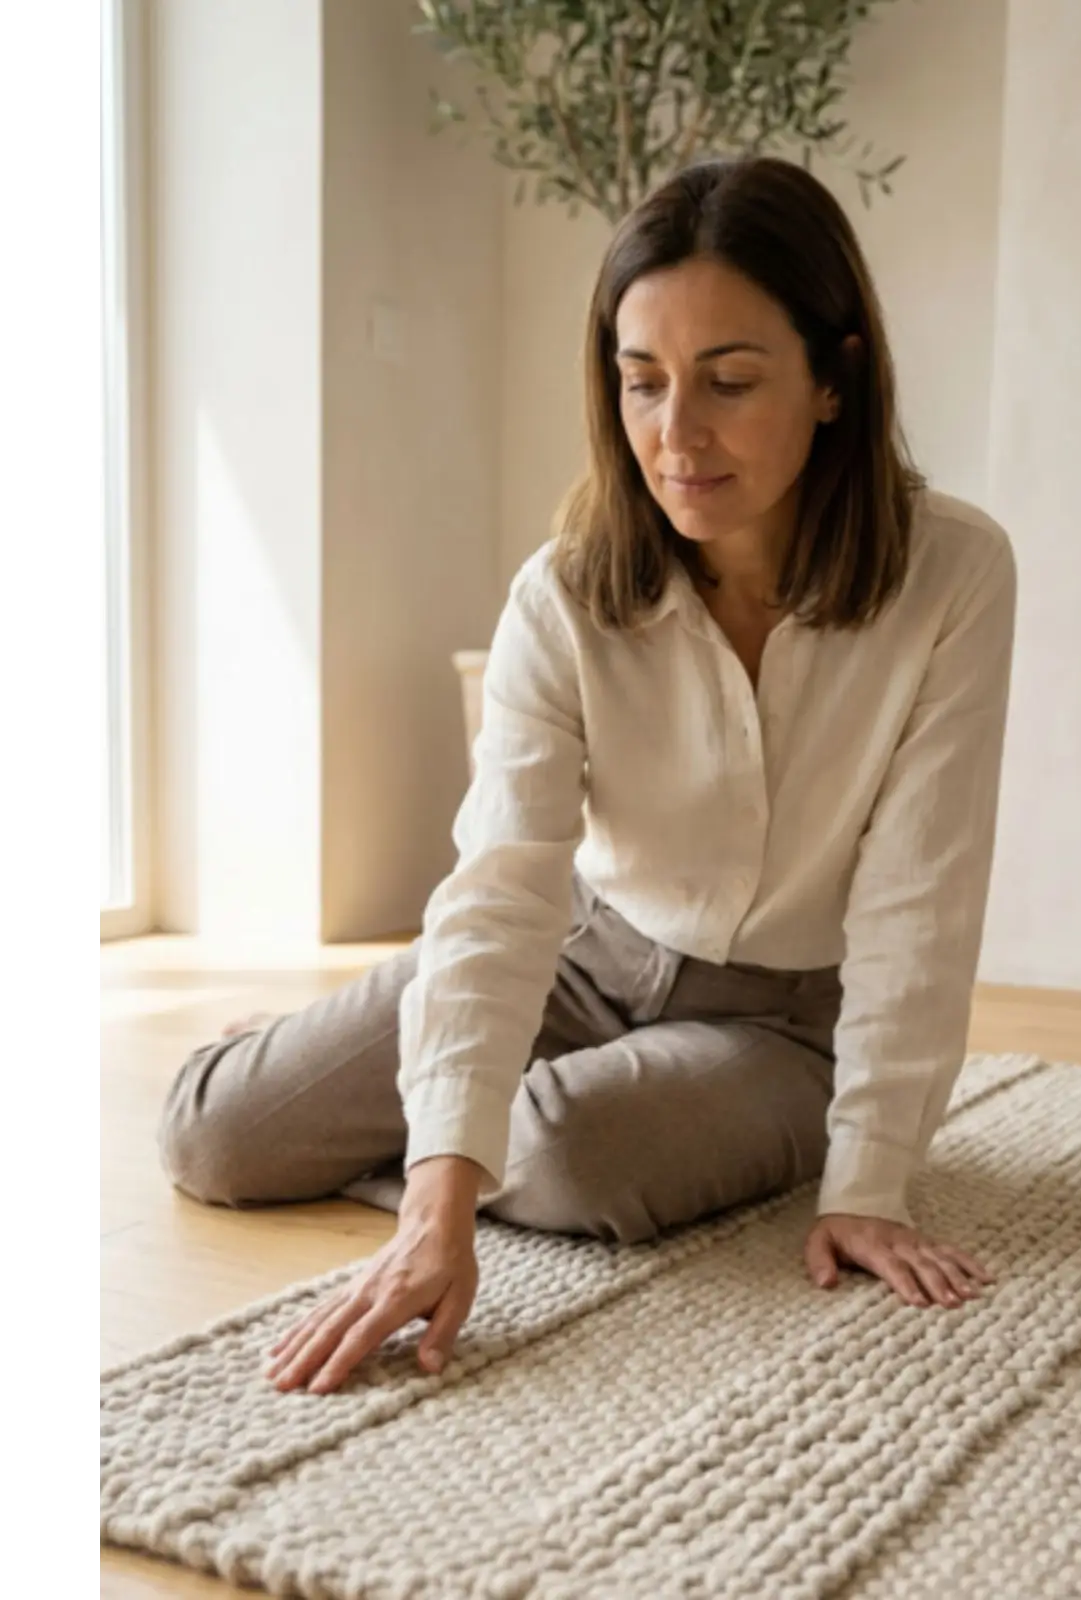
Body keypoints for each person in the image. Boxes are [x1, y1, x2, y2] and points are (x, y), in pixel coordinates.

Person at [157, 154, 1015, 1397]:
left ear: (834, 377)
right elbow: (504, 883)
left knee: (570, 1151)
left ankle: (433, 1097)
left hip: (779, 1023)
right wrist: (436, 1205)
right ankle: (395, 1086)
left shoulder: (954, 573)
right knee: (217, 1136)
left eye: (729, 381)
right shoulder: (560, 592)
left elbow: (919, 897)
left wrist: (868, 1180)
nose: (677, 434)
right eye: (641, 380)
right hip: (583, 951)